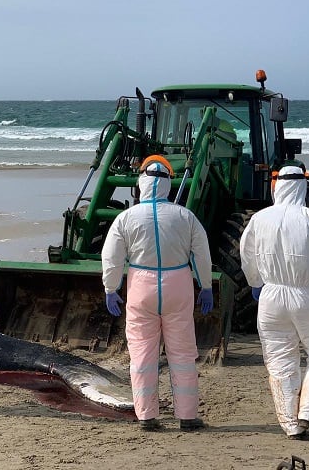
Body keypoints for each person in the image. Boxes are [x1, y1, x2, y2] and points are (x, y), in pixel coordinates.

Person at [101, 156, 214, 432]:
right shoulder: (184, 216)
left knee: (141, 353)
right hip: (178, 283)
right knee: (183, 353)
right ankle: (187, 416)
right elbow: (202, 253)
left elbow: (112, 256)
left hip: (141, 284)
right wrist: (206, 285)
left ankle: (147, 416)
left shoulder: (126, 218)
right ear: (166, 184)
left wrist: (111, 287)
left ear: (141, 183)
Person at [239, 165, 309, 440]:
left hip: (271, 297)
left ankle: (291, 425)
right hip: (307, 295)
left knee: (280, 361)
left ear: (276, 186)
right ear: (302, 186)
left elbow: (246, 255)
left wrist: (255, 283)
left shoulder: (260, 219)